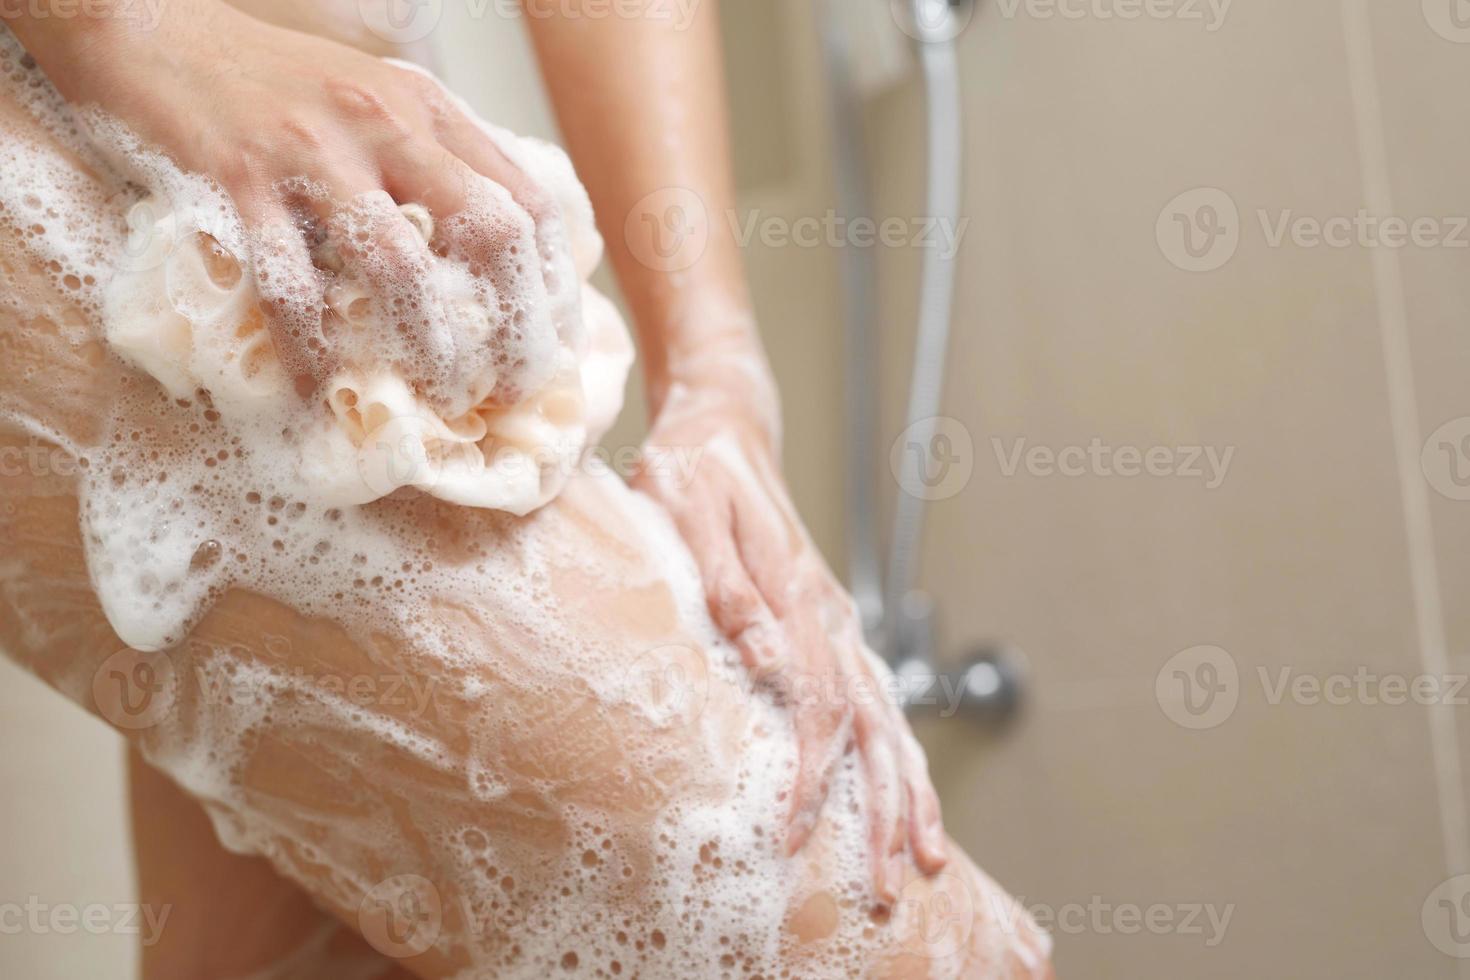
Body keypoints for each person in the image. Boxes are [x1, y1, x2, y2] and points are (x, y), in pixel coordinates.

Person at [0, 1, 1053, 976]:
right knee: (912, 949)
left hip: (327, 145)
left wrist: (716, 372)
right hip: (83, 99)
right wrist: (118, 28)